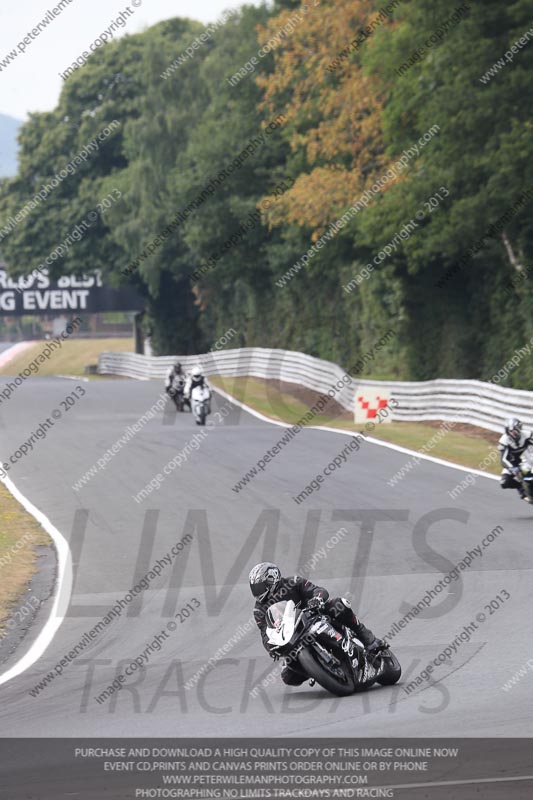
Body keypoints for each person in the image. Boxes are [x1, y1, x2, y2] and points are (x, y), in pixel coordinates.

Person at [249, 562, 385, 687]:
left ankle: (367, 637)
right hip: (292, 635)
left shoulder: (293, 582)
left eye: (259, 586)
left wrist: (317, 599)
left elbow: (319, 590)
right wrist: (270, 647)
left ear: (272, 579)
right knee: (288, 677)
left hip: (313, 615)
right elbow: (265, 632)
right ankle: (317, 669)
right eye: (254, 588)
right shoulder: (259, 609)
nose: (257, 591)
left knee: (339, 605)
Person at [498, 417, 533, 502]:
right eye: (510, 431)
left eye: (515, 430)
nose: (513, 433)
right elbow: (503, 459)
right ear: (507, 431)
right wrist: (512, 468)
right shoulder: (504, 441)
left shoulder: (527, 435)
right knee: (504, 483)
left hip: (526, 459)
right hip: (512, 464)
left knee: (527, 474)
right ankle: (521, 489)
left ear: (520, 429)